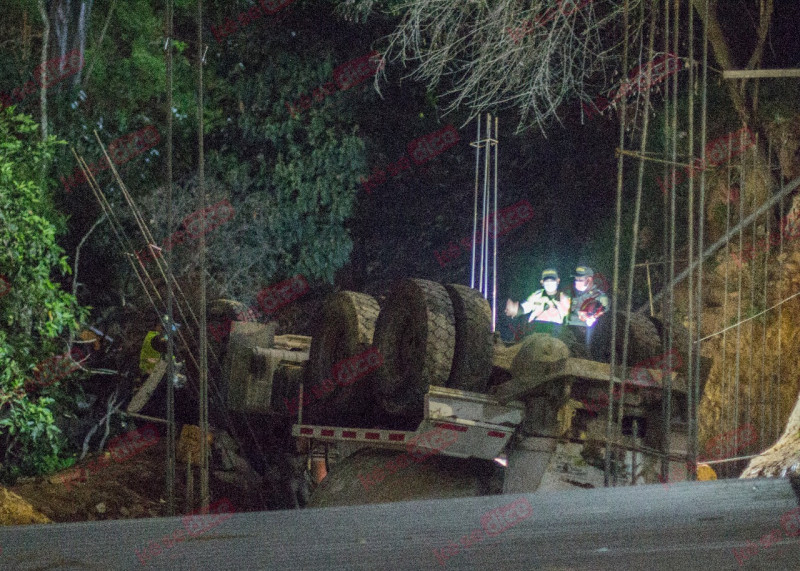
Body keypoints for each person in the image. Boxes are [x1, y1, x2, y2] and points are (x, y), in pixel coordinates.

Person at [505, 268, 570, 335]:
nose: (549, 283)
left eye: (552, 280)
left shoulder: (565, 299)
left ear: (558, 281)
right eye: (546, 281)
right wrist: (515, 310)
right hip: (536, 332)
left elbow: (571, 318)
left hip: (556, 334)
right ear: (542, 282)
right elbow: (525, 307)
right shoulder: (536, 295)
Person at [567, 266, 609, 348]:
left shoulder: (599, 296)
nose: (577, 282)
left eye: (580, 280)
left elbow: (604, 313)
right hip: (569, 331)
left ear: (589, 279)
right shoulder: (572, 294)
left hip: (587, 336)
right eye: (576, 279)